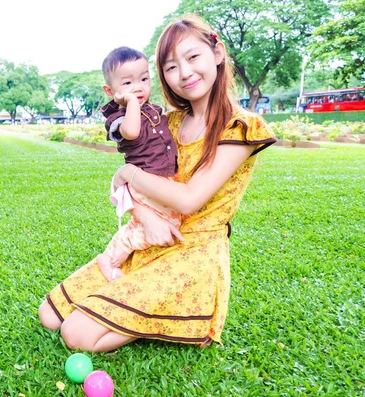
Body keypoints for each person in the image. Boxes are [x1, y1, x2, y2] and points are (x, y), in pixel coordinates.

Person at [38, 14, 276, 353]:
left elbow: (189, 199)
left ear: (218, 53)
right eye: (170, 66)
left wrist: (127, 173)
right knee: (49, 314)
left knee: (76, 334)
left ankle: (178, 313)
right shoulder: (167, 122)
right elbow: (126, 184)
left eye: (193, 57)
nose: (185, 73)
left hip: (192, 253)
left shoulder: (241, 126)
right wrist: (144, 213)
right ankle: (138, 308)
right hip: (148, 237)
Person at [96, 46, 181, 281]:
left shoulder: (152, 109)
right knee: (171, 220)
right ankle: (117, 255)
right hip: (143, 180)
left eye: (144, 78)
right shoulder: (119, 116)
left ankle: (109, 257)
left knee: (148, 221)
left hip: (157, 179)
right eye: (127, 83)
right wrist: (131, 102)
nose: (138, 87)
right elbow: (131, 132)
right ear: (110, 90)